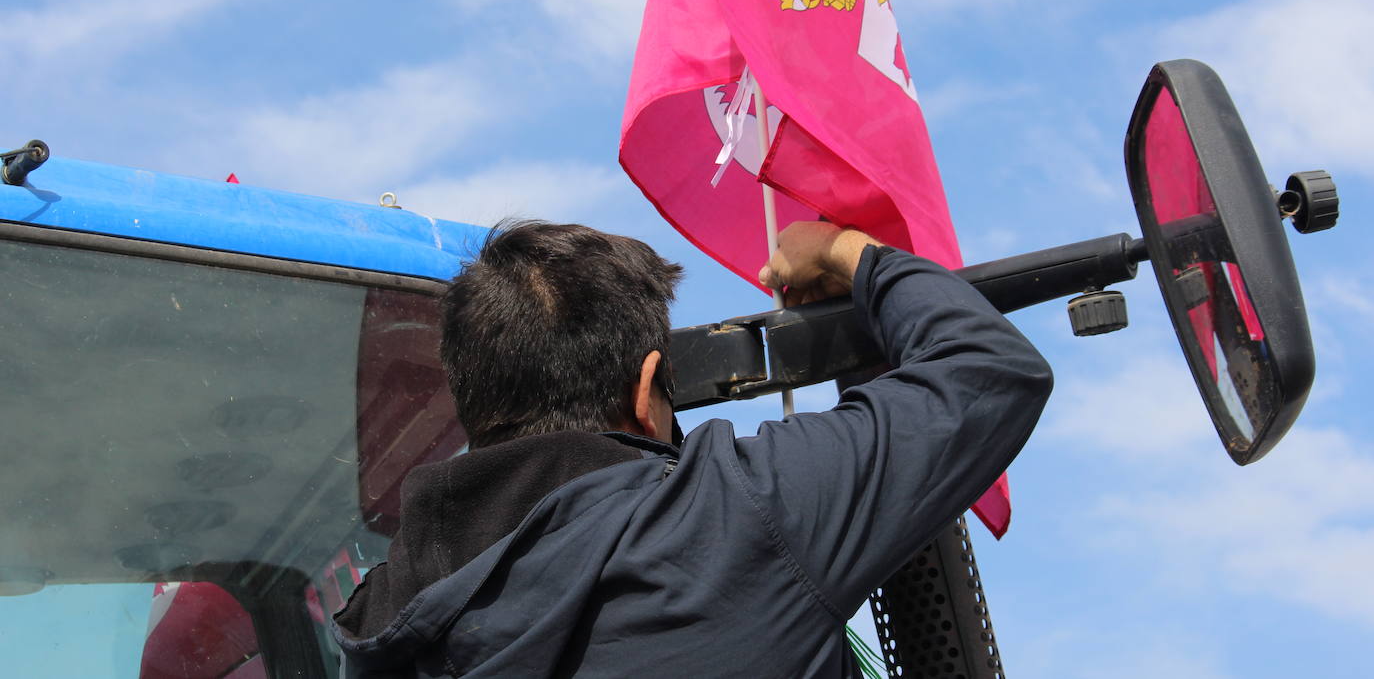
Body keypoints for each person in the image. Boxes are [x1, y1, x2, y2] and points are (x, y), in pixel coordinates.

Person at [332, 220, 1052, 677]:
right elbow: (988, 370)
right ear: (647, 390)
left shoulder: (381, 621)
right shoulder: (731, 518)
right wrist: (845, 249)